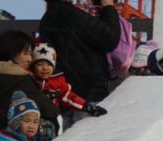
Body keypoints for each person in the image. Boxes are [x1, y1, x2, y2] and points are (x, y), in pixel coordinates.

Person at [40, 0, 121, 129]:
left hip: (67, 97)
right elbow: (110, 38)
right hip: (89, 94)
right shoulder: (72, 15)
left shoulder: (46, 19)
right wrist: (109, 7)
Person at [0, 30, 61, 140]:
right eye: (26, 53)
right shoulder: (19, 78)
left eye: (31, 54)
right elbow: (50, 110)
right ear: (12, 52)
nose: (29, 59)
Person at [29, 39, 107, 118]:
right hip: (30, 119)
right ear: (32, 66)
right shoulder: (27, 79)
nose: (45, 68)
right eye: (40, 64)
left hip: (51, 119)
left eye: (49, 64)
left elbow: (69, 97)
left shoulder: (58, 81)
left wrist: (86, 106)